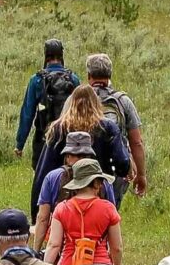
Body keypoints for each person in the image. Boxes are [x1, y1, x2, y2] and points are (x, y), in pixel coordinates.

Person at [31, 84, 130, 222]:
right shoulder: (107, 127)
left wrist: (36, 211)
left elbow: (44, 169)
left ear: (71, 103)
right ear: (96, 103)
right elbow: (123, 163)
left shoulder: (59, 128)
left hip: (63, 194)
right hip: (97, 191)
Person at [44, 159, 122, 265]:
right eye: (100, 181)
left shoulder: (62, 208)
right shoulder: (108, 209)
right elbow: (116, 247)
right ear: (96, 183)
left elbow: (54, 245)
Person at [33, 131, 116, 251]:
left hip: (62, 249)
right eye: (78, 155)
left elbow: (43, 218)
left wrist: (36, 251)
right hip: (95, 250)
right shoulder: (103, 181)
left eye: (83, 156)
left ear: (67, 156)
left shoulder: (52, 178)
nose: (80, 159)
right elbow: (112, 219)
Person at [86, 52, 147, 205]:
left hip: (84, 168)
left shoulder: (79, 100)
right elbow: (136, 142)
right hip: (116, 170)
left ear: (89, 75)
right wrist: (141, 175)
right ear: (110, 75)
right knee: (110, 210)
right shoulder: (123, 101)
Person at [15, 39, 80, 171]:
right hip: (69, 141)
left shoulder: (37, 80)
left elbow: (27, 114)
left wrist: (20, 144)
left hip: (43, 140)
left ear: (46, 56)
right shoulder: (73, 79)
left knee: (42, 180)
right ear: (61, 55)